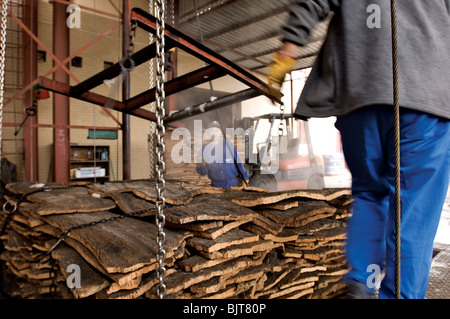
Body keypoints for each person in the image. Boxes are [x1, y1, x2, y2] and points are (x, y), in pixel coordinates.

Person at [268, 0, 450, 299]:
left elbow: (312, 3)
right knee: (412, 208)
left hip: (360, 95)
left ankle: (363, 283)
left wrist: (288, 49)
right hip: (425, 95)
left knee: (369, 193)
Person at [196, 121, 249, 189]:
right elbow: (203, 172)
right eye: (211, 131)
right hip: (216, 185)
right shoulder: (204, 150)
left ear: (220, 133)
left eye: (216, 131)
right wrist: (200, 165)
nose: (214, 133)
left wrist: (245, 178)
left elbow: (238, 164)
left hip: (232, 184)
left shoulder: (229, 145)